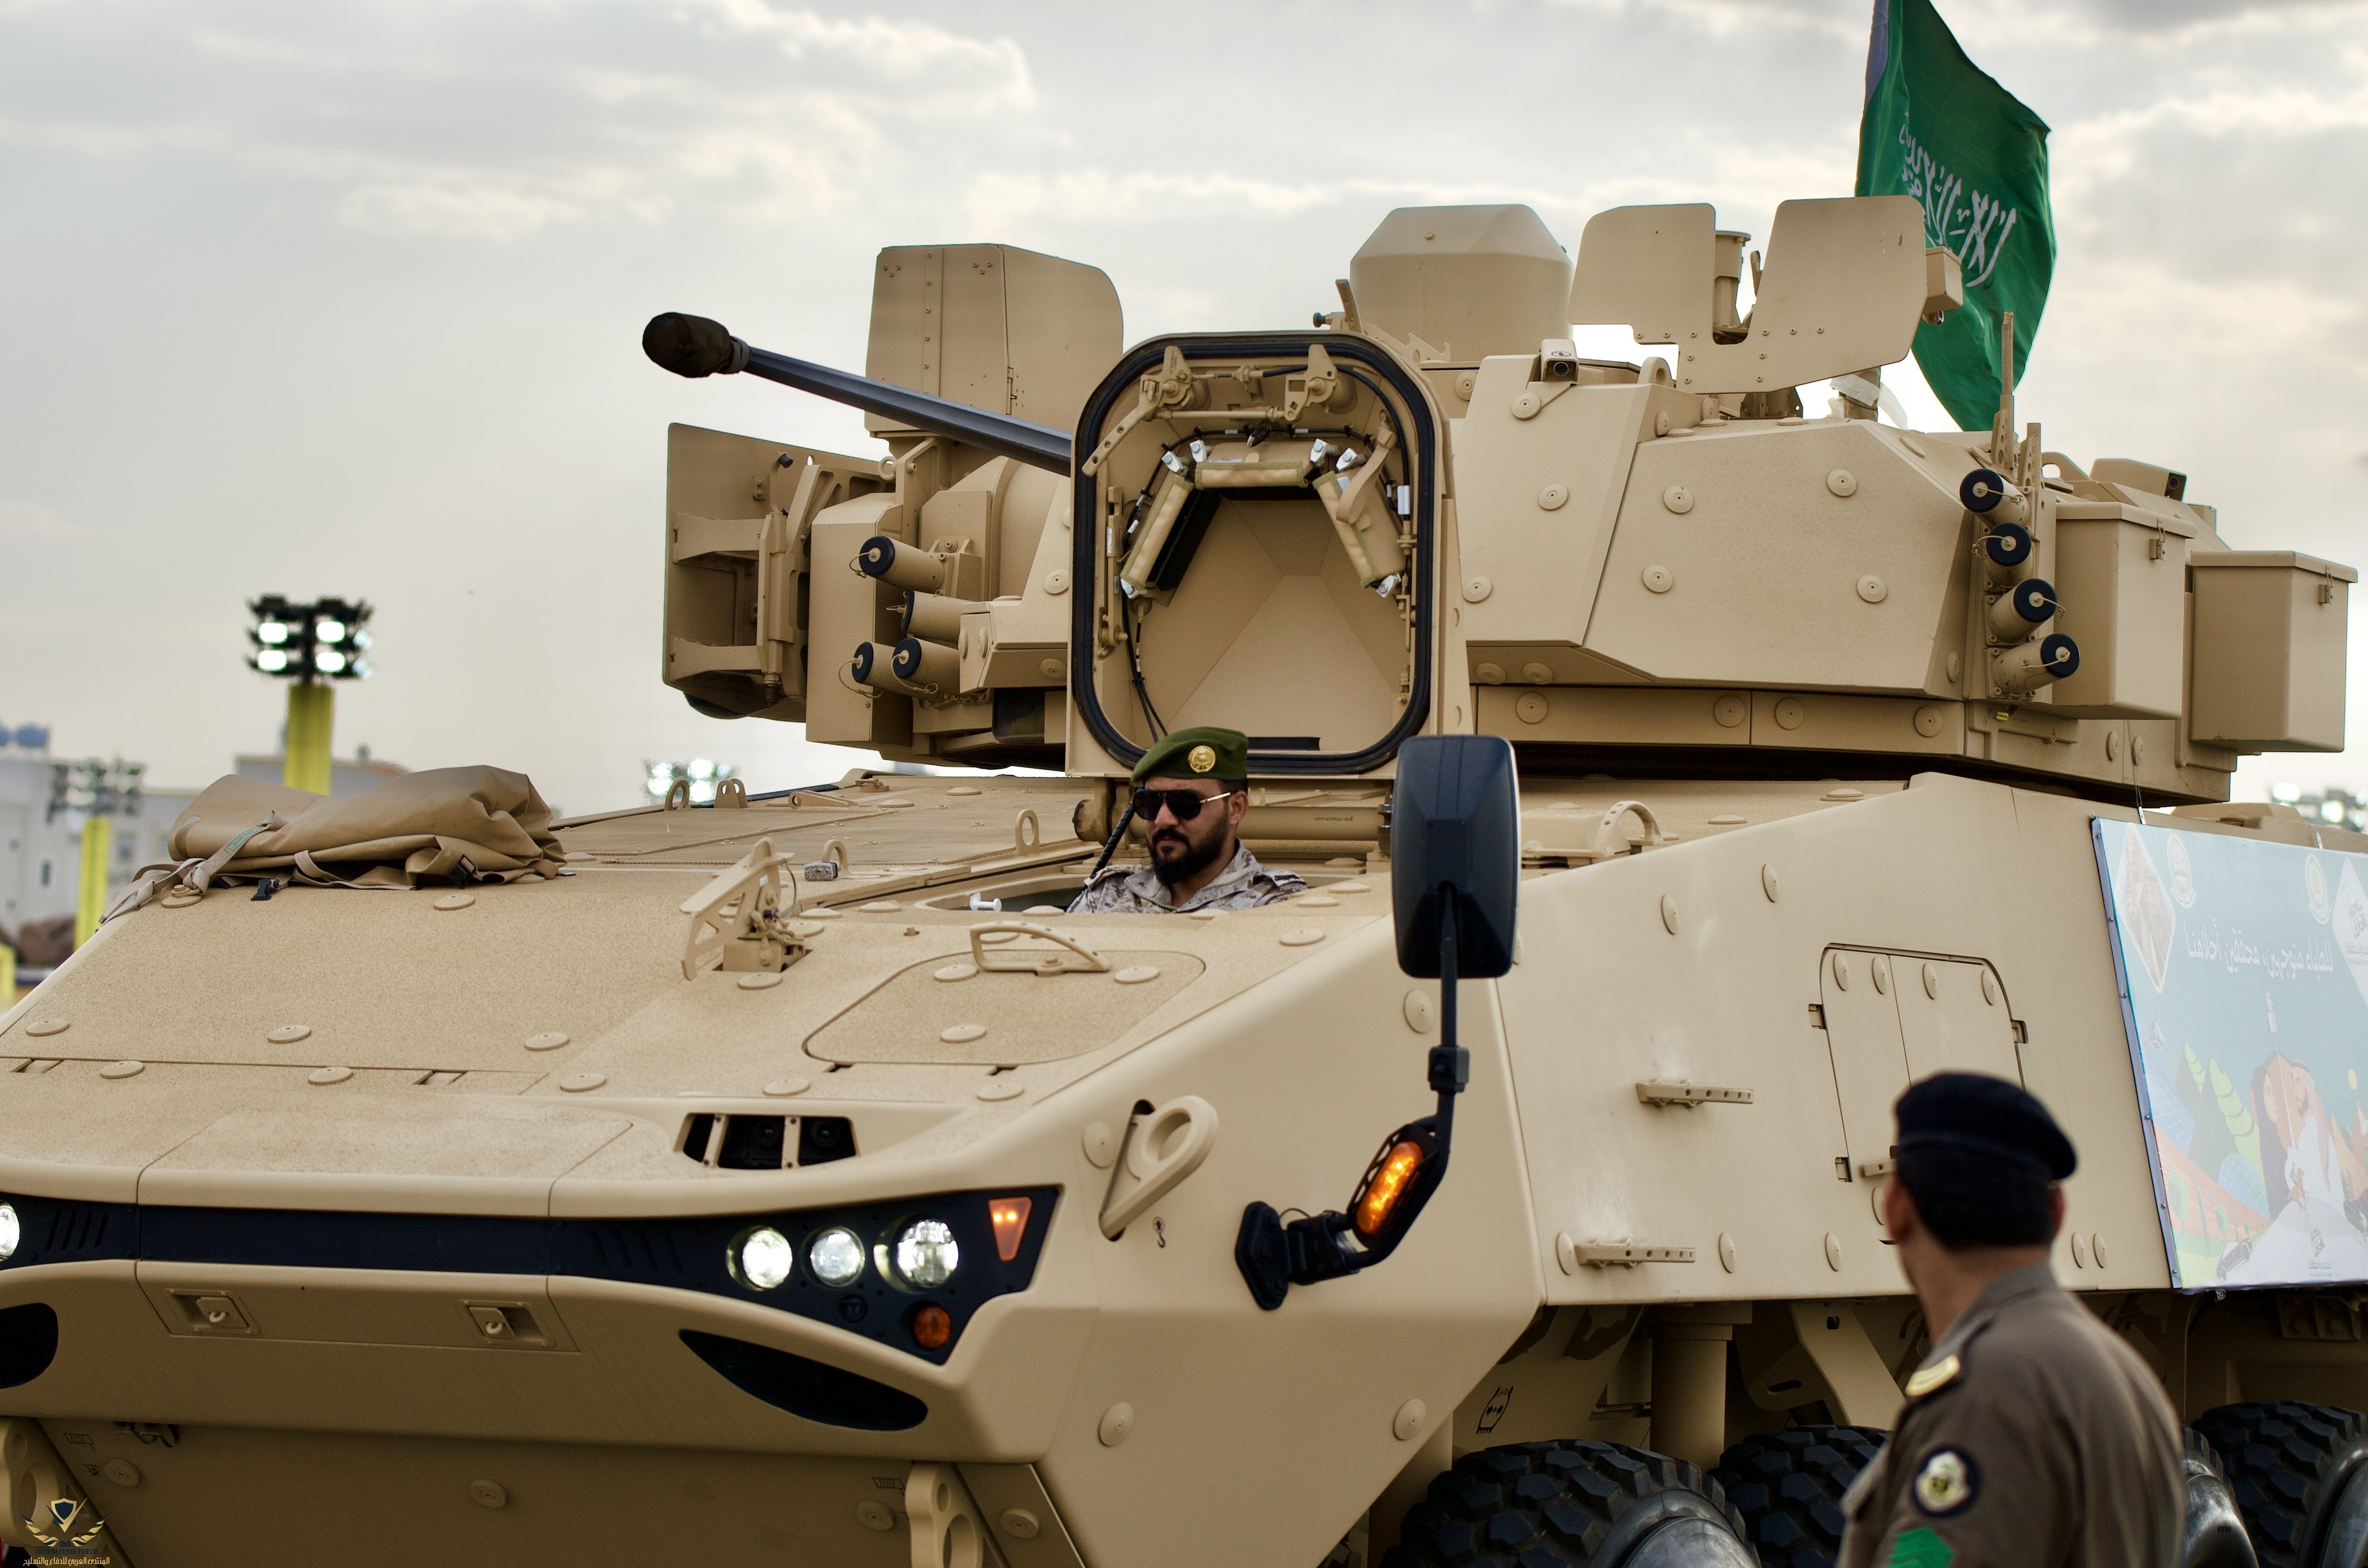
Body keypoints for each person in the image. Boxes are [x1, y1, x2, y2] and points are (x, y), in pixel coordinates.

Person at [1838, 1072, 2182, 1568]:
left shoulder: (1989, 1390)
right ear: (2057, 1212)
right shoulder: (2125, 1373)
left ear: (1895, 1207)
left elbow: (1932, 1557)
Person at [1067, 727, 1305, 914]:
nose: (1163, 820)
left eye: (1185, 804)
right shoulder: (1107, 896)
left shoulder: (1278, 905)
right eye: (1150, 803)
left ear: (1236, 808)